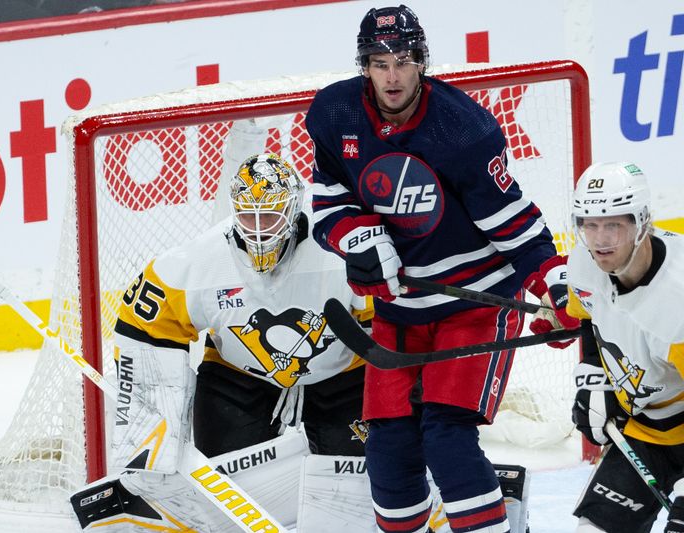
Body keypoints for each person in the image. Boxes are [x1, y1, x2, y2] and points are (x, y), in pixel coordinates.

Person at [305, 5, 577, 532]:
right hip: (399, 311)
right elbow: (329, 199)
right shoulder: (336, 114)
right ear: (364, 65)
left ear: (421, 62)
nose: (391, 75)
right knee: (388, 450)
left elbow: (515, 226)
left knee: (446, 437)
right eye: (378, 61)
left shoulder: (463, 130)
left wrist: (556, 284)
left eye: (402, 60)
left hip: (474, 303)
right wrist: (356, 237)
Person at [69, 153, 376, 532]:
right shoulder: (198, 262)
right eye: (249, 216)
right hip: (238, 373)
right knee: (229, 482)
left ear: (294, 210)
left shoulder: (338, 247)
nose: (260, 230)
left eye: (271, 215)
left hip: (341, 372)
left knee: (360, 480)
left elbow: (389, 326)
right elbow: (143, 327)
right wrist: (156, 435)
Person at [564, 162, 684, 533]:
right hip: (645, 431)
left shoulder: (677, 298)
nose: (600, 240)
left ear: (642, 221)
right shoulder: (584, 264)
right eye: (590, 224)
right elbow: (588, 315)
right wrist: (595, 375)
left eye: (614, 224)